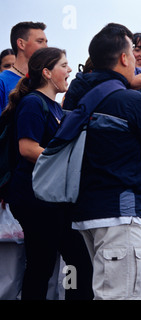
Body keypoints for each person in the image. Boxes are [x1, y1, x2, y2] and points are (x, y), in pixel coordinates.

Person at [63, 23, 141, 300]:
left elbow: (82, 86)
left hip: (86, 212)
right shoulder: (132, 102)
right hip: (120, 214)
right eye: (132, 54)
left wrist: (123, 83)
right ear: (124, 58)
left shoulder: (79, 96)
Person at [2, 47, 93, 300]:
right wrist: (65, 161)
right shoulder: (33, 103)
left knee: (74, 262)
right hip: (35, 200)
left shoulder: (53, 106)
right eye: (64, 65)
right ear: (47, 72)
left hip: (51, 200)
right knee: (44, 266)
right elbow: (27, 148)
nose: (70, 70)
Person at [0, 22, 48, 112]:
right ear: (21, 44)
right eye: (40, 41)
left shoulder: (44, 81)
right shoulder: (2, 81)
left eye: (46, 42)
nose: (46, 47)